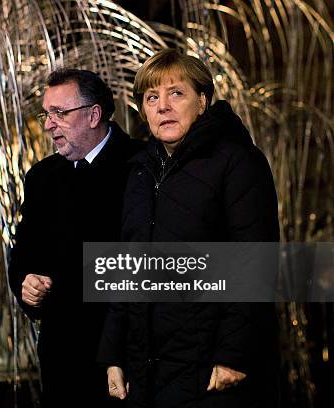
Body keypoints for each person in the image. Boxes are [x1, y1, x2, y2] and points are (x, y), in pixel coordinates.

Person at [98, 49, 280, 407]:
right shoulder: (138, 173)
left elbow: (255, 261)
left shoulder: (238, 162)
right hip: (147, 370)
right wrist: (113, 355)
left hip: (210, 369)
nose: (163, 106)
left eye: (175, 93)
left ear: (202, 100)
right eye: (152, 97)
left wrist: (233, 355)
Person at [8, 68, 143, 406]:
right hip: (61, 361)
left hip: (126, 358)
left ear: (94, 114)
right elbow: (23, 256)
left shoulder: (142, 166)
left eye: (60, 113)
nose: (49, 124)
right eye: (46, 113)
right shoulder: (41, 177)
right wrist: (27, 285)